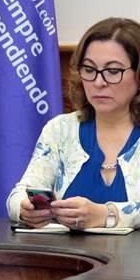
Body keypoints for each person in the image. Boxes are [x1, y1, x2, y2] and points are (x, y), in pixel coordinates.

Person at [8, 17, 140, 229]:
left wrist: (107, 215)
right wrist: (24, 210)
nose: (99, 82)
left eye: (113, 71)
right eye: (89, 69)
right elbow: (18, 194)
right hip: (69, 258)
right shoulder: (60, 129)